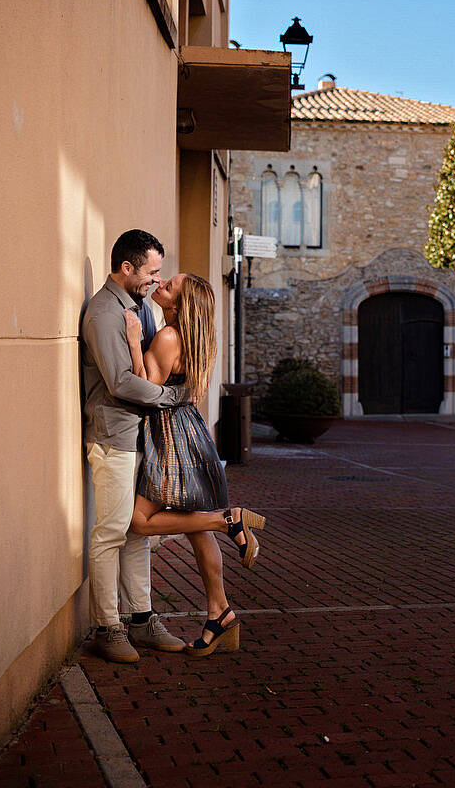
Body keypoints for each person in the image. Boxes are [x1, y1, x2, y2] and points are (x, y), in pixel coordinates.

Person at [123, 271, 266, 657]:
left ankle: (227, 520)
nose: (161, 284)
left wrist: (134, 342)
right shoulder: (200, 339)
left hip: (169, 436)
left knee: (140, 521)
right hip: (192, 431)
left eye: (169, 286)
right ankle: (220, 613)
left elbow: (145, 391)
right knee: (196, 528)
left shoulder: (169, 337)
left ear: (179, 304)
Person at [80, 229, 191, 664]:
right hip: (113, 438)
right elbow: (122, 383)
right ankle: (108, 628)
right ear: (126, 268)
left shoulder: (138, 306)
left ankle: (142, 620)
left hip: (138, 435)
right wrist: (173, 397)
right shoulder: (104, 313)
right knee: (110, 533)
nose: (156, 280)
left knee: (136, 533)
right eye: (152, 272)